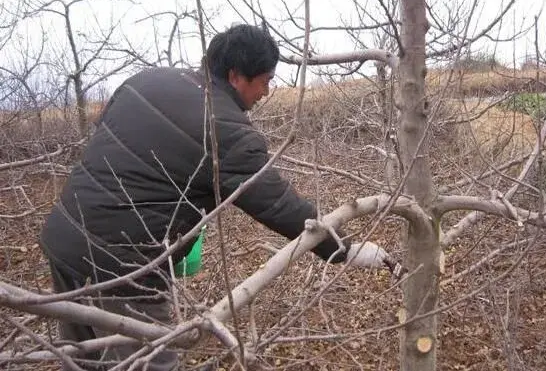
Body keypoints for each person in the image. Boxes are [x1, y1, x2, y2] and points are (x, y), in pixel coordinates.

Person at [39, 24, 393, 371]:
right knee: (148, 360)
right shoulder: (226, 129)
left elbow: (113, 146)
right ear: (238, 75)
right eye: (266, 81)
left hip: (63, 237)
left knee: (83, 356)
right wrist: (344, 250)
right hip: (123, 267)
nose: (267, 92)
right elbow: (279, 206)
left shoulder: (146, 81)